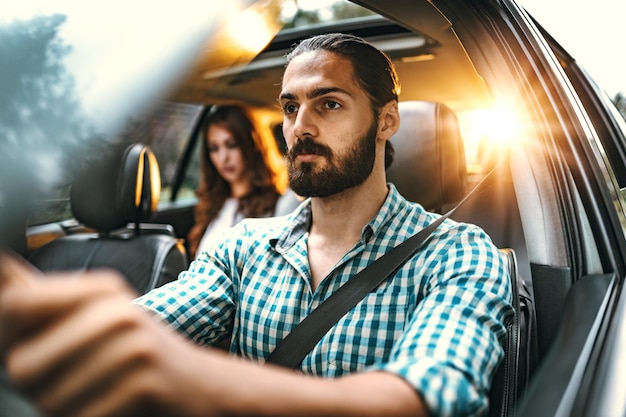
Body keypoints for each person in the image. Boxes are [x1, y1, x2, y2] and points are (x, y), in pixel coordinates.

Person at [0, 33, 513, 417]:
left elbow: (428, 398)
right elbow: (156, 319)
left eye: (328, 104)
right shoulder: (244, 246)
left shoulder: (457, 252)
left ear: (387, 120)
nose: (301, 127)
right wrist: (53, 331)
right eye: (290, 107)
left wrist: (188, 376)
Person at [188, 105, 300, 258]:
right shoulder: (212, 206)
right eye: (214, 148)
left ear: (252, 145)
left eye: (231, 145)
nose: (223, 158)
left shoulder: (281, 204)